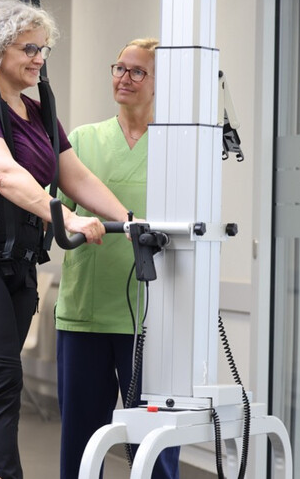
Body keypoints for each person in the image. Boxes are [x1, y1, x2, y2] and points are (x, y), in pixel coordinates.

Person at [0, 0, 132, 479]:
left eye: (45, 49)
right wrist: (68, 219)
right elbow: (3, 174)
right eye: (29, 48)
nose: (40, 58)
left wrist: (130, 219)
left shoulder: (38, 113)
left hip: (15, 268)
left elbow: (75, 175)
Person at [55, 38, 181, 479]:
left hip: (152, 317)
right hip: (85, 313)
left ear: (160, 82)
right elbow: (58, 214)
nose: (124, 78)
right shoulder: (81, 140)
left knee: (154, 444)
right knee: (82, 445)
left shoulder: (177, 147)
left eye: (137, 71)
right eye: (119, 68)